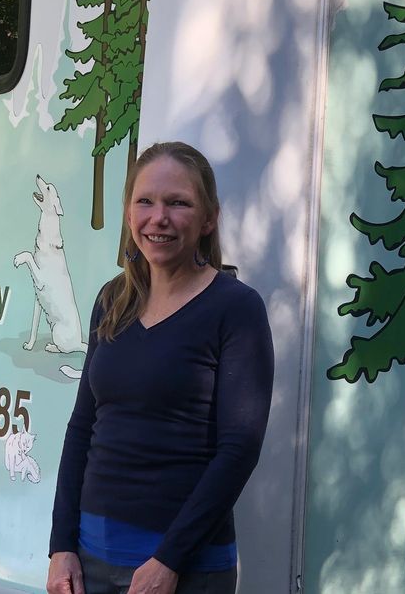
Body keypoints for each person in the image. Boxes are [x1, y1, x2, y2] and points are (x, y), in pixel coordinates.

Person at [47, 142, 274, 594]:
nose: (158, 218)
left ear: (208, 218)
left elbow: (238, 450)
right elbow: (81, 428)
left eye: (178, 203)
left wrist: (168, 561)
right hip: (91, 559)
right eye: (145, 201)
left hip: (187, 569)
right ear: (129, 213)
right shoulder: (113, 300)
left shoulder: (236, 309)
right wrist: (60, 546)